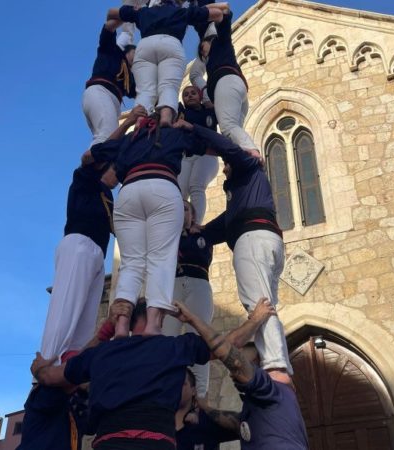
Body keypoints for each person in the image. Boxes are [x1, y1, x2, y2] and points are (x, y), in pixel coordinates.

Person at [31, 298, 276, 450]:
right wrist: (256, 320)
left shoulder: (103, 353)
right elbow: (228, 345)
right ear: (153, 317)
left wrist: (40, 367)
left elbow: (50, 378)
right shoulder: (172, 348)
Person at [173, 118, 293, 382]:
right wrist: (202, 231)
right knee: (266, 305)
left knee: (258, 304)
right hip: (263, 239)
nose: (225, 170)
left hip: (252, 241)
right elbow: (227, 222)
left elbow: (227, 147)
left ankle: (276, 368)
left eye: (225, 165)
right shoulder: (242, 193)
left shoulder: (247, 166)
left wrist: (194, 128)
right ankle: (277, 363)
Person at [83, 114, 219, 337]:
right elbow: (213, 148)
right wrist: (190, 128)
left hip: (128, 192)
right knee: (161, 258)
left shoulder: (131, 139)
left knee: (131, 263)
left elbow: (93, 162)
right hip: (162, 187)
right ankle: (154, 325)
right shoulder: (175, 134)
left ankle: (121, 326)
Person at [40, 107, 144, 363]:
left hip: (97, 253)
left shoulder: (108, 197)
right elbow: (96, 154)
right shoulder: (85, 178)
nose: (117, 177)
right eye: (115, 171)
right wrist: (130, 123)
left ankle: (69, 369)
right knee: (65, 310)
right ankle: (46, 364)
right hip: (79, 244)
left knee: (85, 323)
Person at [174, 301, 310, 450]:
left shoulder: (271, 392)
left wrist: (193, 320)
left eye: (248, 362)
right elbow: (238, 424)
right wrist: (205, 408)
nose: (232, 374)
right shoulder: (256, 409)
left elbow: (232, 359)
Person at [20, 302, 130, 450]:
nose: (86, 373)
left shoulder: (76, 406)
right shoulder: (42, 397)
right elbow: (73, 372)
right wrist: (107, 330)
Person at [107, 1, 226, 126]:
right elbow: (217, 14)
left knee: (145, 90)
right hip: (171, 43)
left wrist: (133, 11)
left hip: (145, 46)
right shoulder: (181, 12)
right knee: (169, 85)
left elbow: (111, 13)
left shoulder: (143, 11)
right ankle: (166, 116)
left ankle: (139, 121)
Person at [162, 200, 214, 396]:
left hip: (197, 282)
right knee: (168, 335)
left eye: (185, 208)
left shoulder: (202, 235)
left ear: (192, 215)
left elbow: (201, 255)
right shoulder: (166, 237)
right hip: (173, 285)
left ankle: (199, 394)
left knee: (200, 337)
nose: (181, 211)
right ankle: (167, 388)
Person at [196, 9, 257, 150]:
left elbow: (224, 25)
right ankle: (242, 159)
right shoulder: (213, 58)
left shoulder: (220, 43)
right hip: (236, 89)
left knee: (228, 127)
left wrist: (221, 15)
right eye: (201, 53)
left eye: (202, 48)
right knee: (234, 133)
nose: (202, 52)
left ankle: (253, 153)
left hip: (227, 83)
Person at [83, 19, 137, 148]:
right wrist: (128, 14)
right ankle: (93, 166)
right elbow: (109, 28)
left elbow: (141, 92)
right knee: (107, 135)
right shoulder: (111, 51)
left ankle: (101, 165)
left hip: (113, 102)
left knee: (111, 138)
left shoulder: (130, 77)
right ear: (129, 51)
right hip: (100, 91)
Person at [177, 86, 219, 222]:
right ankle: (179, 226)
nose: (189, 96)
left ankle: (196, 224)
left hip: (206, 155)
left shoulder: (210, 111)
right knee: (179, 193)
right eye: (186, 94)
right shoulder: (181, 112)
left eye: (193, 93)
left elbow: (200, 80)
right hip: (187, 157)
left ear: (200, 96)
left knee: (196, 186)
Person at [175, 369, 240, 450]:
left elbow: (245, 423)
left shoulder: (204, 420)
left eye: (182, 383)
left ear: (193, 391)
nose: (175, 386)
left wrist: (206, 408)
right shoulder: (159, 421)